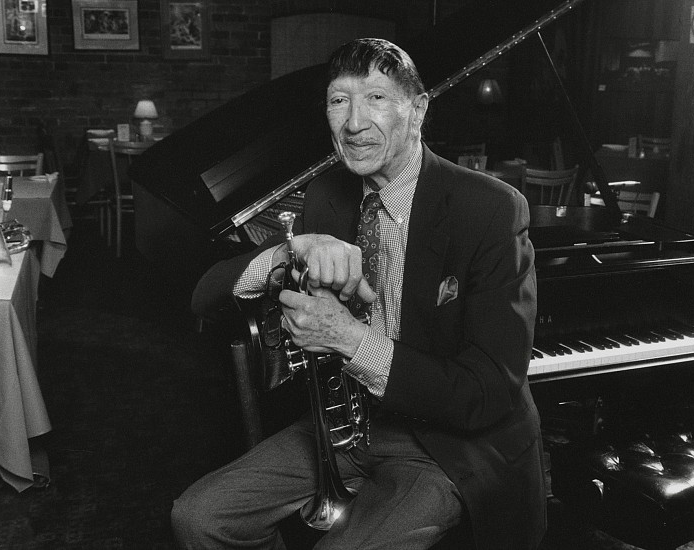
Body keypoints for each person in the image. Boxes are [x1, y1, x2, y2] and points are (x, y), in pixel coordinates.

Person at [172, 38, 545, 550]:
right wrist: (289, 252)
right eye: (338, 100)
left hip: (450, 446)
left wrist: (349, 340)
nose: (353, 123)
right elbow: (202, 299)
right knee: (198, 518)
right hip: (347, 430)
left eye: (376, 98)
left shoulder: (491, 210)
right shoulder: (327, 195)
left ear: (417, 109)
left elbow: (487, 393)